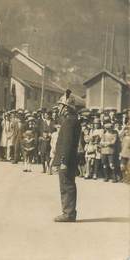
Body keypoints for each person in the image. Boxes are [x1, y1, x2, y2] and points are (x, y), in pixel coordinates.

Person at [53, 90, 81, 222]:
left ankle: (68, 213)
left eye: (60, 105)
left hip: (66, 160)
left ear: (66, 107)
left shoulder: (69, 121)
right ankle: (69, 212)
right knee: (67, 185)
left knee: (66, 186)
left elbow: (67, 144)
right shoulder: (71, 120)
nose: (58, 108)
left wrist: (63, 160)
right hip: (68, 159)